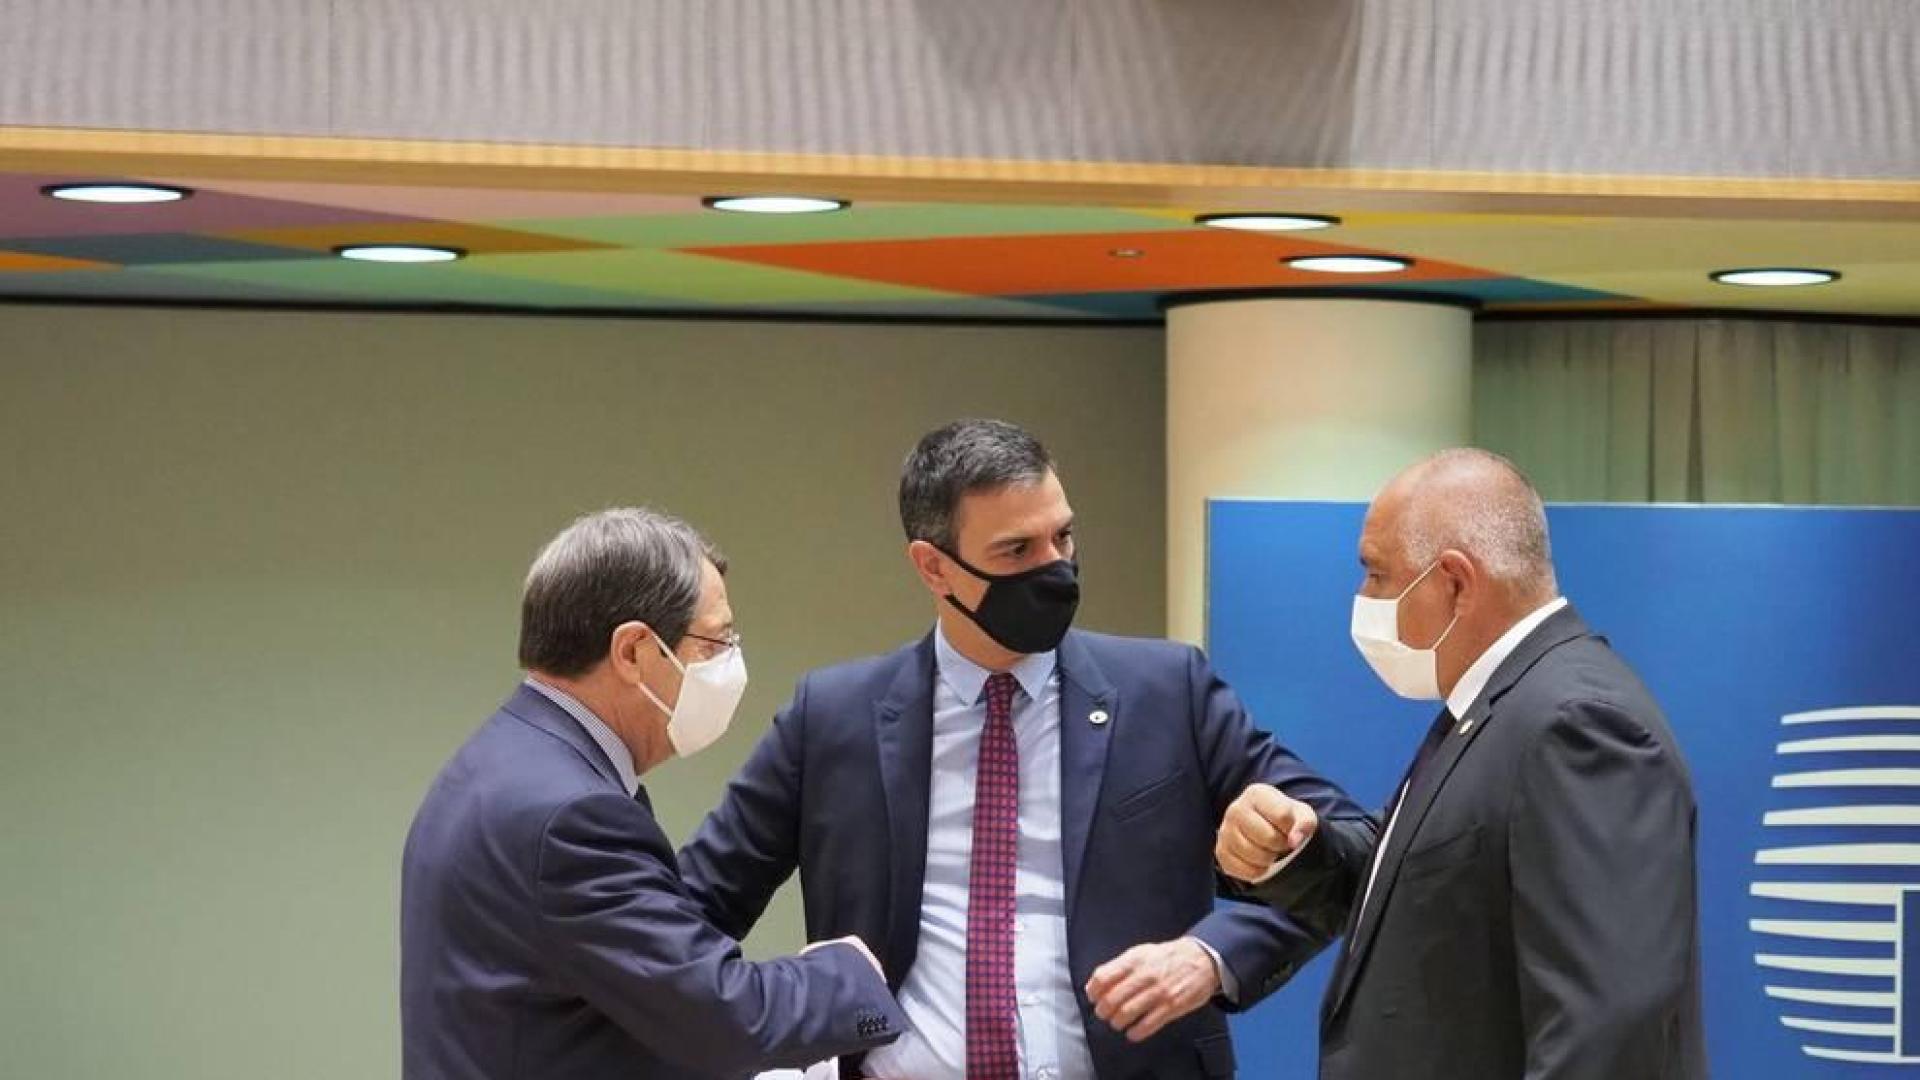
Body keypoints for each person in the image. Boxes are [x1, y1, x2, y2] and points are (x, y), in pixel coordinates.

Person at [679, 420, 1374, 1080]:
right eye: (1017, 551)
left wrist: (1209, 954)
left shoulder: (1169, 692)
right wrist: (794, 1008)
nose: (1055, 570)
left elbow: (1356, 862)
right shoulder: (832, 718)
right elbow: (689, 913)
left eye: (1063, 538)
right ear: (933, 567)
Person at [1215, 449, 1705, 1080]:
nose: (1363, 598)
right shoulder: (1499, 705)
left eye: (1376, 574)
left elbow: (1608, 1027)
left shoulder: (1576, 724)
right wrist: (1294, 850)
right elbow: (1427, 886)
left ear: (1454, 581)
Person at [401, 508, 904, 1080]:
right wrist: (847, 977)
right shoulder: (572, 815)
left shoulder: (501, 761)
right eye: (715, 642)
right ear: (635, 651)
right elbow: (725, 1021)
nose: (730, 663)